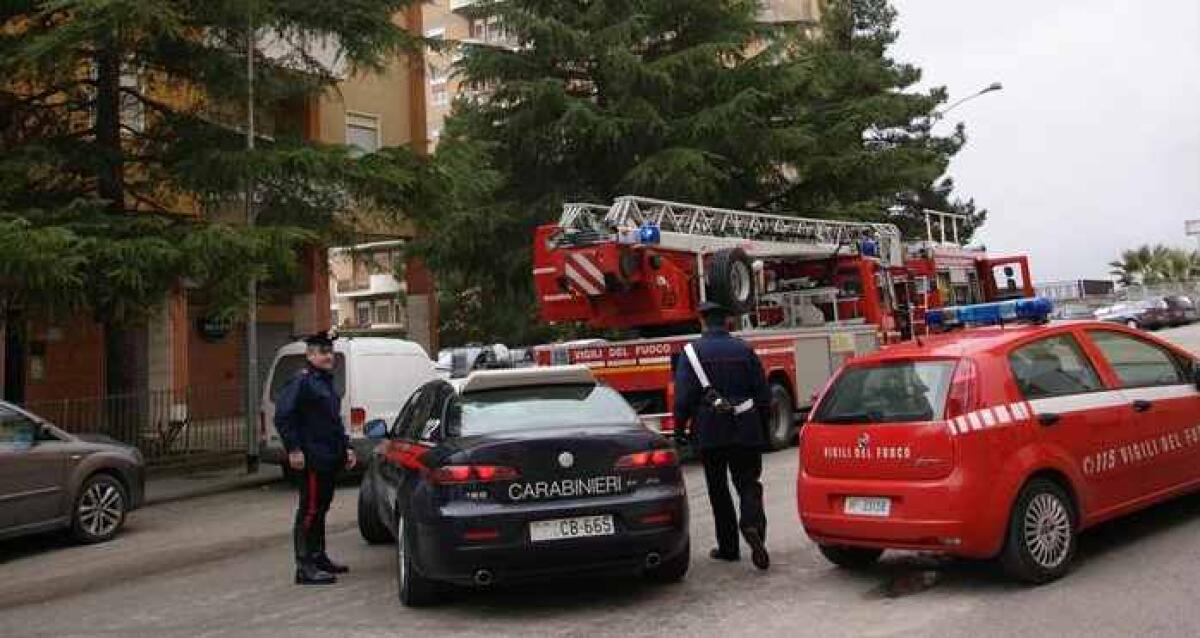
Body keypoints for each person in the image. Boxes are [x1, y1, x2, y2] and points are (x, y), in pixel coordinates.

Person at [673, 301, 772, 570]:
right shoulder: (744, 349)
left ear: (702, 322)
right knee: (748, 482)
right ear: (727, 322)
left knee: (718, 489)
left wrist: (679, 429)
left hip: (710, 429)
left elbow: (683, 398)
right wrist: (763, 427)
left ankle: (728, 547)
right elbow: (763, 394)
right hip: (746, 426)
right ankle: (752, 526)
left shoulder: (691, 353)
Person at [275, 329, 357, 585]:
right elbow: (284, 416)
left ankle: (319, 556)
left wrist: (347, 447)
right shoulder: (302, 381)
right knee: (309, 510)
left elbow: (333, 421)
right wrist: (294, 449)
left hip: (328, 456)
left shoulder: (324, 381)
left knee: (321, 508)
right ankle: (305, 566)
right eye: (322, 352)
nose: (328, 356)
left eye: (330, 351)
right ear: (309, 355)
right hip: (310, 457)